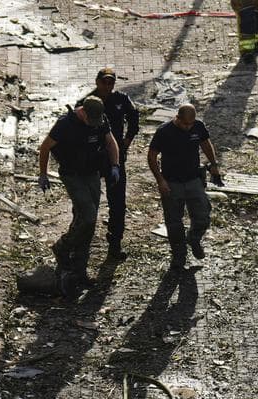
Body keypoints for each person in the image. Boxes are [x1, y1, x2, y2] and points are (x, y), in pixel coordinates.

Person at [38, 97, 121, 290]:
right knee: (89, 216)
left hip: (92, 173)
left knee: (86, 224)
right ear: (82, 112)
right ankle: (63, 246)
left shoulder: (100, 120)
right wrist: (43, 174)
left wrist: (115, 165)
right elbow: (45, 147)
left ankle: (80, 270)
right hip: (72, 175)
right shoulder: (65, 124)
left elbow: (110, 142)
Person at [147, 104, 221, 274]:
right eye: (185, 124)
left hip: (194, 179)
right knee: (174, 222)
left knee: (203, 215)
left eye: (190, 124)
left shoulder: (198, 126)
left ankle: (194, 238)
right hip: (172, 183)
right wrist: (160, 180)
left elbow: (206, 143)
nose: (188, 127)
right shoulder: (164, 132)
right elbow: (151, 156)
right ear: (177, 118)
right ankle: (179, 256)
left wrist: (214, 164)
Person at [87, 68, 139, 261]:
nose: (107, 86)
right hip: (93, 159)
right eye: (104, 82)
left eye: (111, 83)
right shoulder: (89, 102)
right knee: (87, 202)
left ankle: (115, 242)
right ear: (97, 82)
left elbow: (134, 119)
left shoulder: (121, 99)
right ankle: (81, 243)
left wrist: (126, 142)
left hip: (115, 158)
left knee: (117, 202)